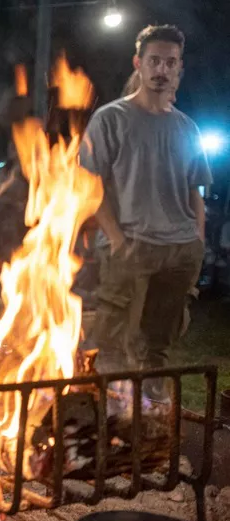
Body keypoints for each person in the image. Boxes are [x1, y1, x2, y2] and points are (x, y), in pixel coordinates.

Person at [79, 25, 210, 396]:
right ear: (138, 63)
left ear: (179, 68)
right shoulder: (111, 119)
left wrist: (196, 241)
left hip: (179, 251)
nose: (162, 70)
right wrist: (118, 240)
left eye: (171, 63)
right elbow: (91, 186)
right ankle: (103, 420)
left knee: (157, 349)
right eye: (154, 61)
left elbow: (193, 190)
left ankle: (149, 421)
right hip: (130, 247)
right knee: (113, 344)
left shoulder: (187, 128)